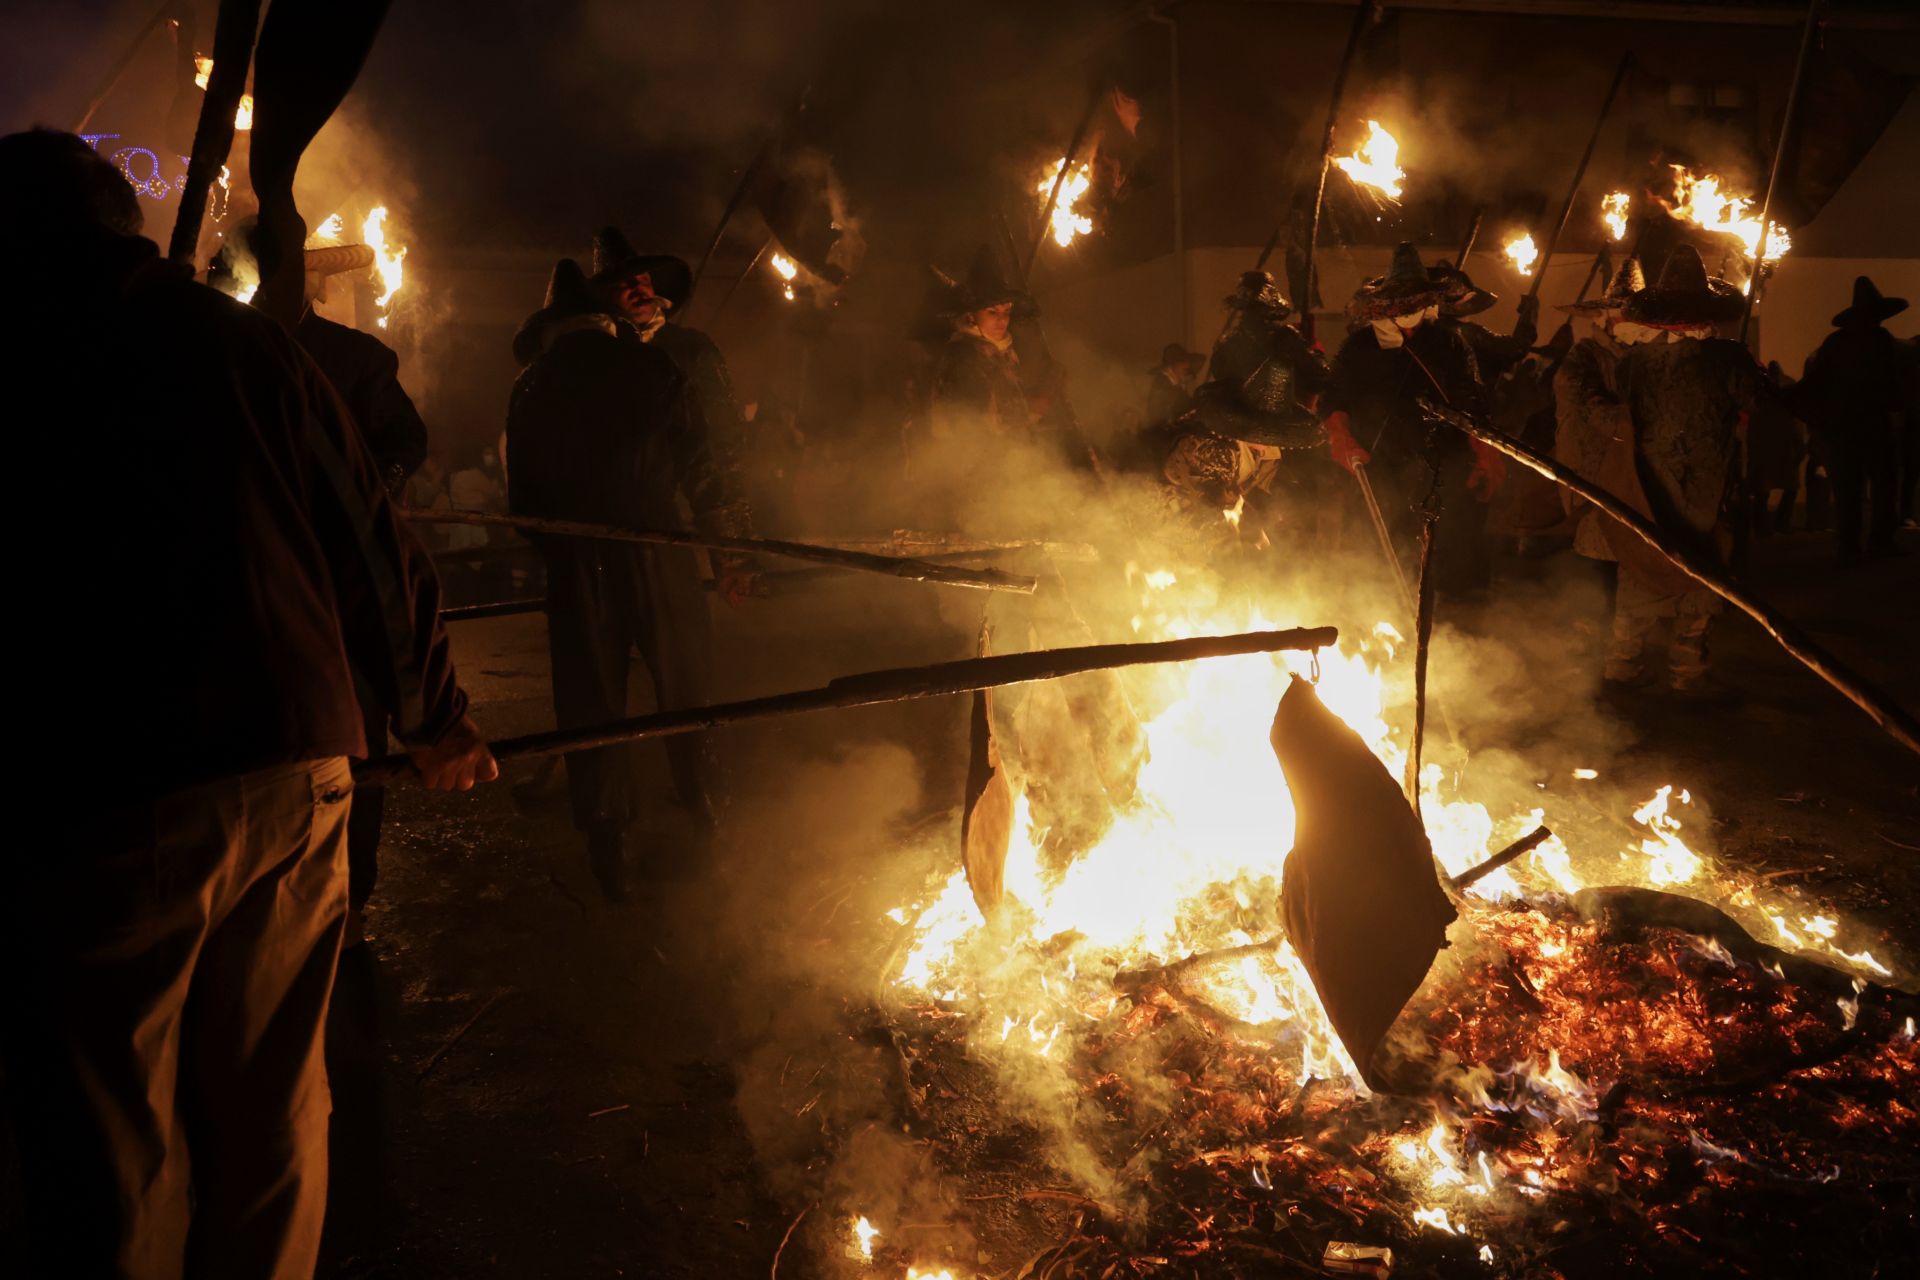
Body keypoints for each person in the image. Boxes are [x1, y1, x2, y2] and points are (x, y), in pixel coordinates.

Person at [2, 128, 495, 1279]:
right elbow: (375, 543)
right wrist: (431, 716)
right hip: (286, 764)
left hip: (103, 788)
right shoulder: (245, 348)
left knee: (116, 1124)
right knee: (274, 1096)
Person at [505, 257, 750, 900]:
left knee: (590, 698)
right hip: (659, 546)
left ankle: (607, 837)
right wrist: (723, 551)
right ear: (607, 320)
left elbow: (522, 500)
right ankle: (705, 802)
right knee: (685, 681)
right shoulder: (654, 366)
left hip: (579, 558)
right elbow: (703, 468)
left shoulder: (531, 387)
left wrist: (561, 547)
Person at [1600, 244, 1760, 692]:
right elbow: (1755, 402)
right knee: (1698, 570)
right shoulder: (1729, 358)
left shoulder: (1633, 361)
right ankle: (1683, 668)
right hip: (1692, 485)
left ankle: (1625, 663)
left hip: (1654, 486)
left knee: (1644, 563)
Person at [1321, 243, 1497, 595]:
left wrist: (1483, 451)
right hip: (1380, 460)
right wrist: (1340, 434)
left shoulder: (1450, 344)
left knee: (1448, 547)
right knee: (1381, 546)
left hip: (1442, 461)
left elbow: (1472, 402)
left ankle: (1453, 628)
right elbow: (1334, 396)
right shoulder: (1359, 347)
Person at [1161, 272, 1329, 536]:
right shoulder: (1212, 448)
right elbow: (1202, 501)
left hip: (1249, 415)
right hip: (1182, 512)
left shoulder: (1234, 340)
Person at [1794, 276, 1910, 562]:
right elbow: (1894, 387)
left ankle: (1849, 545)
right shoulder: (1883, 343)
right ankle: (1880, 541)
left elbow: (1816, 383)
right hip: (1872, 425)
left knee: (1848, 489)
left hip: (1841, 428)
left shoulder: (1834, 343)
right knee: (1883, 485)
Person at [1553, 257, 1643, 566]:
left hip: (1632, 477)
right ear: (1605, 317)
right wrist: (1636, 424)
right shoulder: (1583, 358)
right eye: (1625, 316)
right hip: (1592, 477)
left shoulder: (1643, 359)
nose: (1633, 325)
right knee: (1598, 556)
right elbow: (1592, 408)